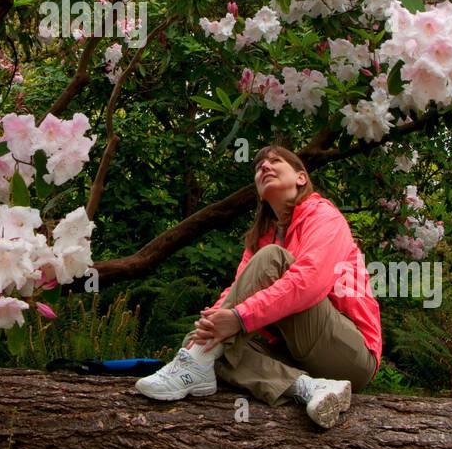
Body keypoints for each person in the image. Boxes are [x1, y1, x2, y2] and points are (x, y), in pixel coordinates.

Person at [134, 144, 382, 428]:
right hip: (294, 353)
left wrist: (238, 319)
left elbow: (309, 282)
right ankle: (310, 388)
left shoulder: (324, 216)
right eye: (258, 167)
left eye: (275, 161)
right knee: (220, 350)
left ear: (301, 177)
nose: (264, 167)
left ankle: (196, 358)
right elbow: (237, 291)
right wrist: (207, 330)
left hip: (349, 351)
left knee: (272, 260)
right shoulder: (261, 237)